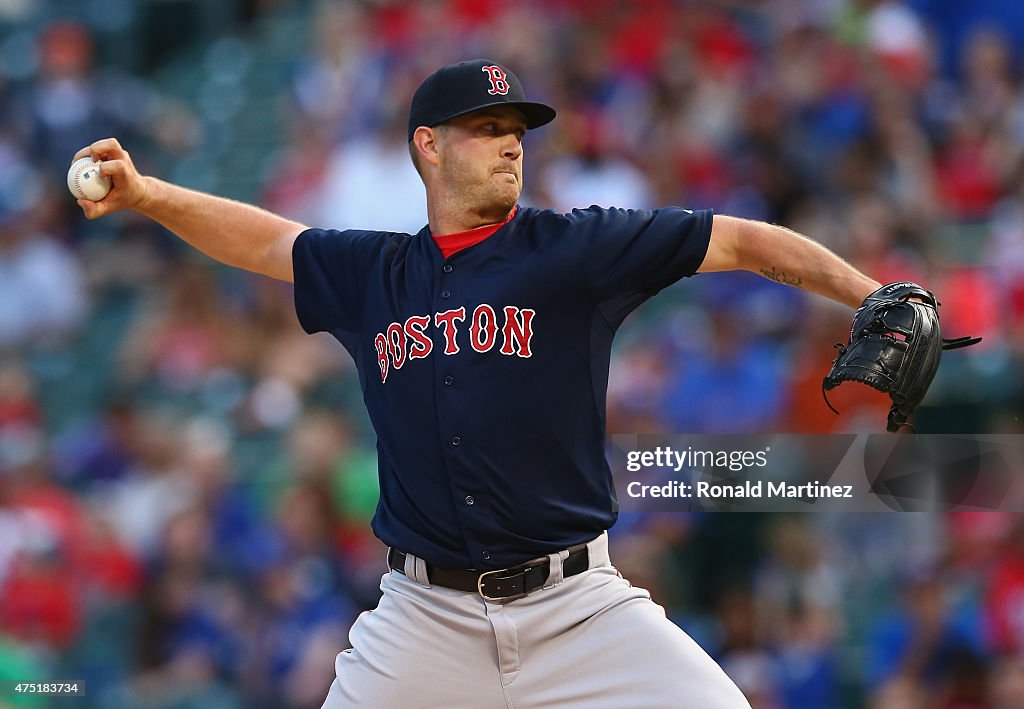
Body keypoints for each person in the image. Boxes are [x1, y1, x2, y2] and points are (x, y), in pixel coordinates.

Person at [76, 59, 883, 708]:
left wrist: (872, 295)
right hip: (425, 618)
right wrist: (148, 194)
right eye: (488, 128)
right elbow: (265, 242)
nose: (511, 143)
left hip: (578, 608)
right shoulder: (376, 274)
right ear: (428, 145)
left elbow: (737, 239)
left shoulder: (574, 248)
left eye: (517, 131)